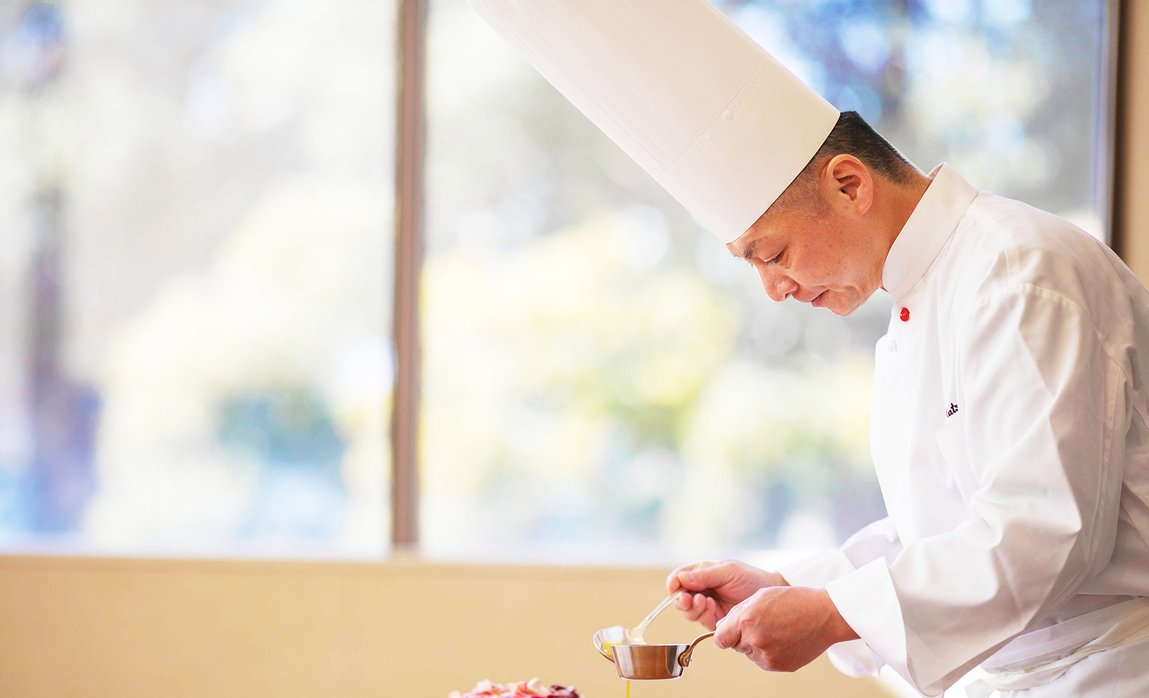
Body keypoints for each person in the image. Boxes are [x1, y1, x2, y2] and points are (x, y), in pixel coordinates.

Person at [469, 0, 1149, 695]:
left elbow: (1043, 535)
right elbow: (941, 530)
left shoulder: (1019, 270)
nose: (773, 289)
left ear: (848, 183)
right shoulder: (921, 302)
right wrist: (788, 584)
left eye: (774, 253)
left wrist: (830, 614)